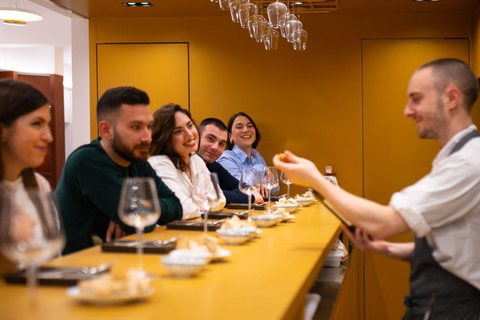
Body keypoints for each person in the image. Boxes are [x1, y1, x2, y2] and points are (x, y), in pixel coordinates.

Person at [274, 58, 480, 319]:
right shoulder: (457, 156)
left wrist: (315, 179)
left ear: (451, 98)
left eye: (416, 99)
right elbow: (457, 245)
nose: (407, 110)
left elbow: (386, 223)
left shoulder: (468, 162)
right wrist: (386, 249)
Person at [55, 87, 182, 255]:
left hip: (119, 258)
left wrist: (138, 208)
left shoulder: (135, 157)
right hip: (80, 269)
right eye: (136, 127)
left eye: (149, 126)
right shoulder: (87, 161)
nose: (147, 137)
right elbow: (141, 224)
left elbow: (176, 207)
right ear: (106, 130)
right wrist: (134, 213)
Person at [0, 80, 54, 275]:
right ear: (2, 130)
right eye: (37, 124)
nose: (49, 136)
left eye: (47, 124)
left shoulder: (39, 184)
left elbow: (51, 257)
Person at [148, 104, 226, 219]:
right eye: (178, 131)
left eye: (190, 126)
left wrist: (196, 205)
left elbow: (220, 198)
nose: (189, 134)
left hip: (195, 229)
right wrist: (205, 203)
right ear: (165, 138)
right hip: (167, 234)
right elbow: (180, 208)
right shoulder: (159, 163)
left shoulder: (195, 159)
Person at [197, 118, 263, 204]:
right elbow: (205, 195)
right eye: (210, 139)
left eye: (221, 144)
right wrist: (251, 198)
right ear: (196, 137)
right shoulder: (187, 162)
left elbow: (241, 188)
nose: (215, 147)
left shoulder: (213, 165)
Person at [217, 112, 279, 196]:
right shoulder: (225, 158)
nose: (246, 130)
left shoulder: (256, 155)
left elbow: (275, 189)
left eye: (249, 126)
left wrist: (260, 187)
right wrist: (259, 168)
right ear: (230, 136)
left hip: (259, 207)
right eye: (239, 127)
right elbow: (241, 189)